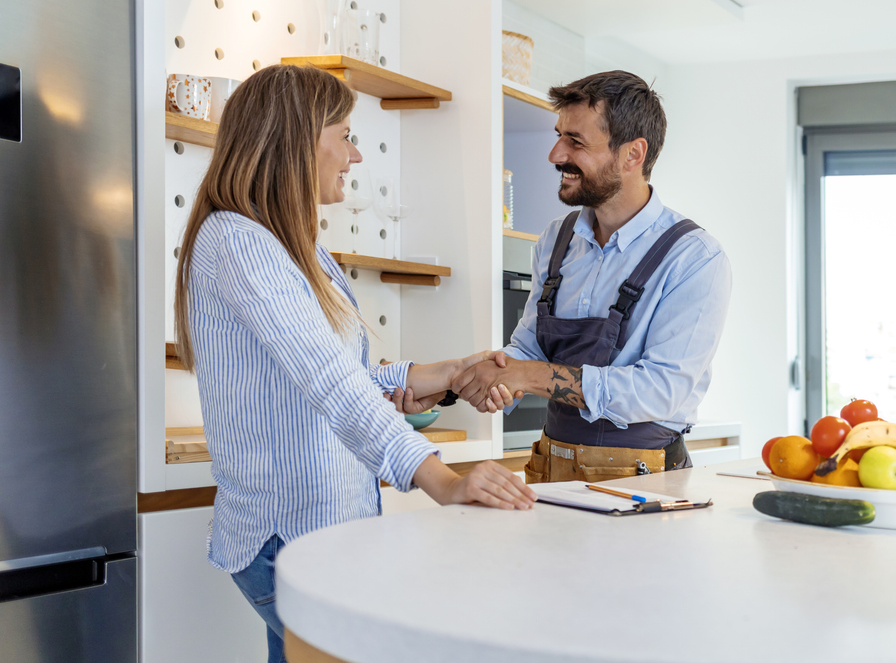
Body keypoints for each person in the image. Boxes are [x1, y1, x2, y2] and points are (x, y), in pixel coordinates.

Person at [172, 64, 535, 663]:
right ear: (296, 140)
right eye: (345, 134)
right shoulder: (237, 241)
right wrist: (440, 480)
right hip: (286, 531)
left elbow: (341, 376)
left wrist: (441, 375)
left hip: (324, 525)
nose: (356, 155)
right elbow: (329, 381)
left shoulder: (294, 244)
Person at [455, 70, 733, 482]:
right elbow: (529, 347)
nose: (555, 155)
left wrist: (526, 376)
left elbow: (660, 390)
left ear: (632, 155)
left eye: (576, 142)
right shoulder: (555, 239)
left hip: (645, 482)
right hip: (551, 469)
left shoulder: (694, 257)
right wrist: (476, 380)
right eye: (559, 135)